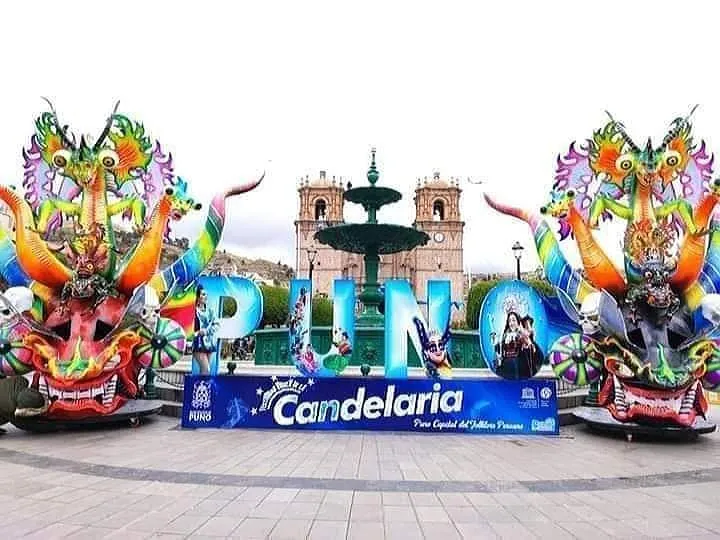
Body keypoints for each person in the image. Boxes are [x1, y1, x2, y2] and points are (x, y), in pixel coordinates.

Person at [192, 286, 219, 374]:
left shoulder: (210, 311)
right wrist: (196, 333)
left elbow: (217, 324)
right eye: (203, 294)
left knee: (205, 370)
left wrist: (206, 331)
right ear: (197, 297)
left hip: (209, 342)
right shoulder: (193, 311)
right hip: (198, 342)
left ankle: (201, 387)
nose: (205, 296)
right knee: (206, 369)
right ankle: (202, 387)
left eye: (206, 294)